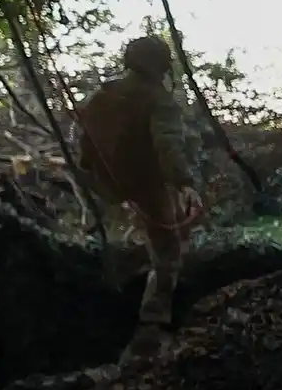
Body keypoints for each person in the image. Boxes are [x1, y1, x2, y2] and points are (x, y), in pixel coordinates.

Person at [73, 35, 203, 363]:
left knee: (103, 243)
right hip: (146, 187)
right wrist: (185, 183)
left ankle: (97, 306)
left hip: (101, 186)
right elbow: (168, 148)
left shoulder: (102, 95)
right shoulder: (160, 101)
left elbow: (81, 139)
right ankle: (150, 331)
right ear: (161, 66)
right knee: (168, 251)